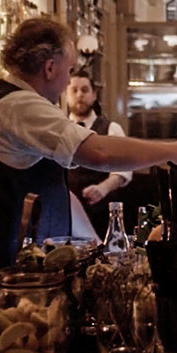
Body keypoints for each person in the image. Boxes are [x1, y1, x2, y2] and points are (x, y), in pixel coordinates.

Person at [0, 18, 177, 278]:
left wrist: (99, 248)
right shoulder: (18, 105)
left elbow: (58, 194)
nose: (67, 83)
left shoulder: (19, 102)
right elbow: (100, 154)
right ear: (50, 68)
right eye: (69, 69)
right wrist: (172, 150)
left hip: (17, 278)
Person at [66, 69, 132, 238]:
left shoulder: (111, 128)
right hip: (66, 214)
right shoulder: (60, 130)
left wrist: (103, 188)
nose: (79, 94)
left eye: (85, 90)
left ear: (94, 95)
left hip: (102, 214)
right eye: (74, 90)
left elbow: (124, 170)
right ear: (66, 95)